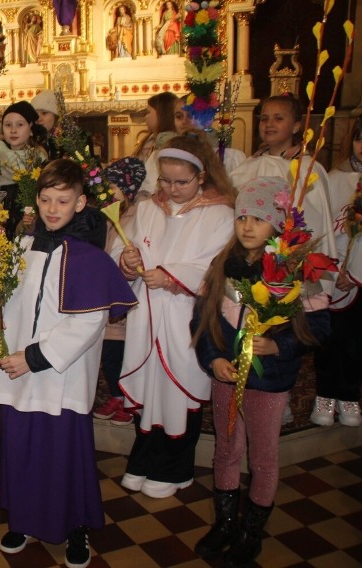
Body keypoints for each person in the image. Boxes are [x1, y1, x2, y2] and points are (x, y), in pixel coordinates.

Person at [0, 159, 136, 567]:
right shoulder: (20, 247)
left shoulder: (89, 257)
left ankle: (74, 527)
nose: (52, 208)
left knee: (63, 451)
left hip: (59, 374)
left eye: (62, 200)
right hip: (16, 367)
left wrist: (33, 358)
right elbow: (7, 301)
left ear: (80, 202)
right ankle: (23, 518)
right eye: (45, 199)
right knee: (20, 447)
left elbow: (88, 324)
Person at [191, 177, 330, 565]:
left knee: (264, 456)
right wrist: (214, 358)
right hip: (229, 375)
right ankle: (226, 521)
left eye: (259, 218)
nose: (247, 226)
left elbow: (318, 329)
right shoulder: (223, 265)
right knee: (227, 449)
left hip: (270, 381)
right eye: (242, 218)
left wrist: (278, 345)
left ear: (279, 225)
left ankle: (251, 531)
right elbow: (202, 320)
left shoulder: (294, 270)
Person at [115, 133, 236, 498]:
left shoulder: (220, 214)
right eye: (165, 180)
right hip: (148, 315)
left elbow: (216, 266)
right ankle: (144, 458)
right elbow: (130, 242)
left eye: (181, 182)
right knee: (150, 386)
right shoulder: (152, 207)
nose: (171, 188)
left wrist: (172, 277)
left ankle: (175, 467)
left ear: (202, 175)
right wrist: (128, 261)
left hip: (186, 316)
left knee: (178, 388)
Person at [230, 95, 337, 280]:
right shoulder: (246, 166)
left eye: (278, 118)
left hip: (286, 267)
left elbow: (316, 221)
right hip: (245, 263)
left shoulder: (307, 169)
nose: (269, 124)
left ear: (296, 126)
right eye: (264, 119)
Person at [313, 114, 362, 427]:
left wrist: (357, 268)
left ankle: (348, 396)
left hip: (360, 278)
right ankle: (324, 394)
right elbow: (324, 225)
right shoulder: (334, 177)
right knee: (327, 337)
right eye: (361, 139)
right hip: (333, 272)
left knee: (351, 338)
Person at [92, 157, 147, 425]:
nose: (106, 191)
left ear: (128, 188)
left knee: (127, 352)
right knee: (110, 352)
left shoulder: (141, 214)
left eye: (112, 186)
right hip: (108, 294)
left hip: (130, 295)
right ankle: (115, 393)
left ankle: (130, 398)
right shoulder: (110, 213)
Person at [0, 101, 48, 238]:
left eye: (20, 124)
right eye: (8, 125)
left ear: (30, 128)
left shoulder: (38, 157)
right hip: (1, 220)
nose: (13, 130)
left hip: (27, 221)